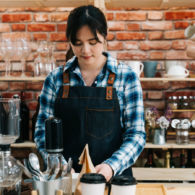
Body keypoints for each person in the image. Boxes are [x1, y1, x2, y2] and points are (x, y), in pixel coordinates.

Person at [34, 5, 146, 182]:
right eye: (77, 43)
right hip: (65, 181)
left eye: (93, 42)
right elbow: (42, 131)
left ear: (105, 36)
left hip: (113, 181)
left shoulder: (126, 77)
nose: (85, 50)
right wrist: (59, 165)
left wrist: (111, 166)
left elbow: (136, 134)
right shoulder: (55, 79)